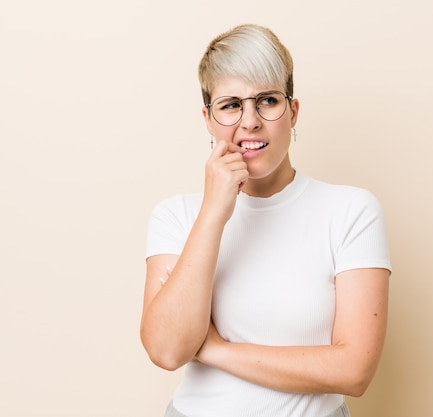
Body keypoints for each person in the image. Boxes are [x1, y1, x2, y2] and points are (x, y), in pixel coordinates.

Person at [140, 23, 392, 417]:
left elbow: (354, 370)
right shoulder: (177, 216)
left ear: (292, 112)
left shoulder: (351, 211)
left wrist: (214, 348)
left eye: (268, 100)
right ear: (208, 119)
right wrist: (213, 213)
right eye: (230, 105)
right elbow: (168, 350)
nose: (250, 121)